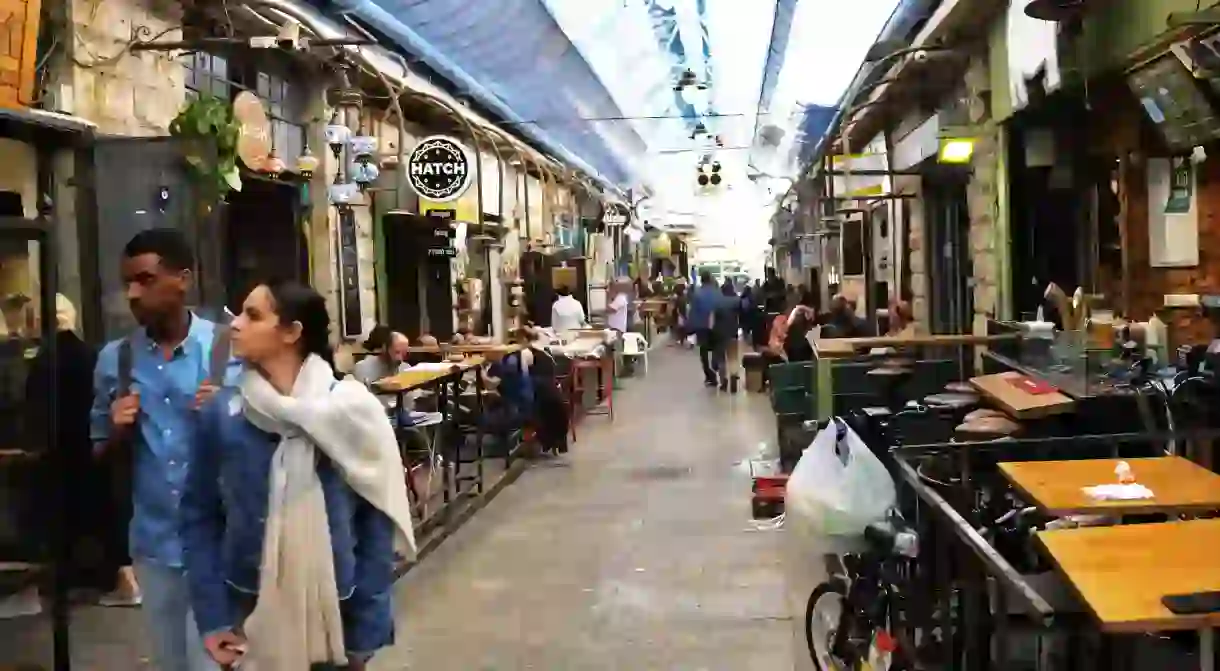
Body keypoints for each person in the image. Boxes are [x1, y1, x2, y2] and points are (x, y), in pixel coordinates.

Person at [182, 280, 415, 670]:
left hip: (335, 610)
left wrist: (368, 629)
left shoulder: (350, 411)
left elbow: (376, 520)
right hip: (247, 609)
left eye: (253, 315)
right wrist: (213, 617)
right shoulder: (222, 415)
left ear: (292, 332)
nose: (235, 324)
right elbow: (199, 516)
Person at [90, 229, 237, 671]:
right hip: (155, 546)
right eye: (128, 283)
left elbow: (272, 441)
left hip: (224, 543)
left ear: (183, 279)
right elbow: (96, 453)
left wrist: (228, 412)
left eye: (146, 280)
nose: (134, 294)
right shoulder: (115, 361)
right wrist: (115, 430)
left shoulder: (230, 348)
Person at [688, 270, 722, 387]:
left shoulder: (697, 293)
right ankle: (716, 364)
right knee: (717, 347)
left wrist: (690, 327)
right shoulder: (717, 292)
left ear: (701, 279)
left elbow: (693, 312)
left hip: (701, 326)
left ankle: (709, 376)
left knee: (704, 352)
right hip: (716, 325)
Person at [711, 280, 742, 392]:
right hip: (733, 332)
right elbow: (741, 314)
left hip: (719, 333)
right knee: (733, 357)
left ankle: (724, 381)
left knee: (721, 358)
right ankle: (733, 377)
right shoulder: (737, 300)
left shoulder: (717, 302)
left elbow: (712, 318)